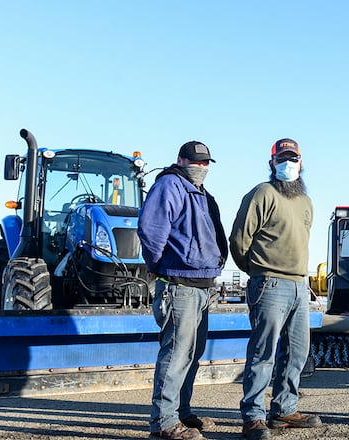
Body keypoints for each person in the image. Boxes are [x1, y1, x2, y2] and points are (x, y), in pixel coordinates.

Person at [229, 138, 322, 440]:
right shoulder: (262, 193)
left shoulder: (305, 201)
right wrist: (257, 271)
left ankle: (284, 409)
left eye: (293, 158)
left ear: (301, 162)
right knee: (263, 352)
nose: (288, 163)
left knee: (297, 352)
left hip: (299, 285)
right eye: (282, 158)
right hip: (269, 283)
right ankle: (253, 417)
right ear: (272, 163)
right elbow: (239, 240)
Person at [138, 141, 228, 440]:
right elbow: (151, 230)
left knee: (191, 354)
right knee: (176, 354)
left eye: (205, 163)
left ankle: (181, 413)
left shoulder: (200, 193)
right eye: (196, 162)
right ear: (181, 160)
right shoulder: (170, 186)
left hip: (202, 286)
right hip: (179, 284)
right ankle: (163, 423)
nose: (201, 168)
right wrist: (156, 265)